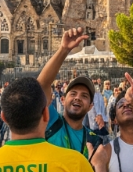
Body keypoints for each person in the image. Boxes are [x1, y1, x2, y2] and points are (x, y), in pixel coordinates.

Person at [36, 27, 102, 157]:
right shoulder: (51, 121)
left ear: (90, 106)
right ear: (62, 99)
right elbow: (42, 85)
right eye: (73, 93)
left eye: (84, 96)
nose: (77, 98)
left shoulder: (94, 140)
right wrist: (64, 50)